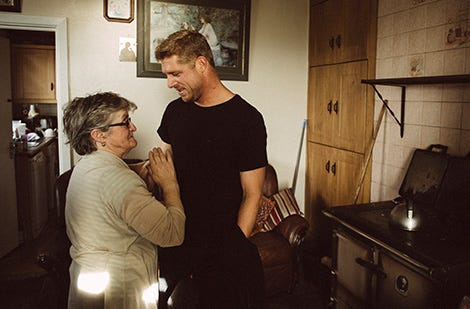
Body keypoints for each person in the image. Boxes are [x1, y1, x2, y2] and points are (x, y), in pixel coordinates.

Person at [154, 30, 267, 308]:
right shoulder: (174, 112)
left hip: (223, 247)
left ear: (202, 64)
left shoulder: (247, 119)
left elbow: (252, 194)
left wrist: (235, 247)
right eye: (167, 75)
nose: (170, 83)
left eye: (176, 73)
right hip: (176, 240)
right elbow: (162, 167)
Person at [62, 92, 186, 308]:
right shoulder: (118, 179)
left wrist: (132, 171)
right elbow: (172, 234)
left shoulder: (85, 166)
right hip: (119, 287)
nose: (133, 128)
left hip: (89, 277)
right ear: (99, 135)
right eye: (125, 122)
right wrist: (170, 184)